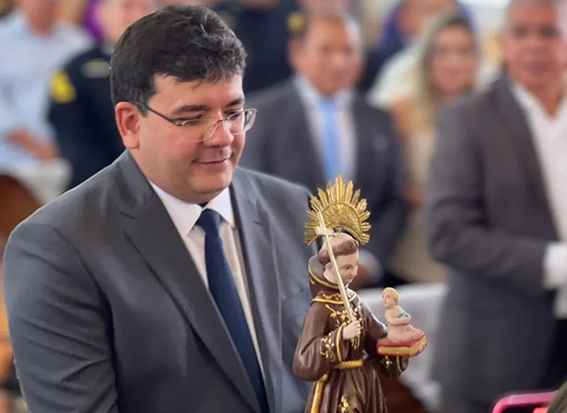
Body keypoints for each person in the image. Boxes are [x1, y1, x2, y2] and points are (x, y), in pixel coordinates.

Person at [3, 5, 318, 413]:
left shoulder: (290, 208)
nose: (222, 137)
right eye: (192, 118)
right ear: (130, 123)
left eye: (233, 112)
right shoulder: (57, 248)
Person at [426, 0, 567, 411]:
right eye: (521, 32)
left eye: (549, 31)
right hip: (494, 355)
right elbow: (447, 233)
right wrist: (553, 262)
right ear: (502, 42)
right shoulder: (466, 119)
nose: (534, 44)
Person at [241, 9, 407, 289]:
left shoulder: (380, 119)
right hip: (285, 281)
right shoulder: (260, 117)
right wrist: (307, 264)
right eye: (327, 49)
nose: (339, 61)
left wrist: (368, 260)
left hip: (362, 284)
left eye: (349, 50)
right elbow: (253, 201)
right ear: (297, 52)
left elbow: (393, 200)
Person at [387, 13, 479, 284]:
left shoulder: (490, 114)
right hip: (412, 257)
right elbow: (388, 188)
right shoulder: (401, 111)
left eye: (463, 51)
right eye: (442, 51)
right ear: (426, 57)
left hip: (474, 260)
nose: (453, 62)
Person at [48, 0, 158, 189]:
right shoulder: (77, 70)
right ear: (102, 14)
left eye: (143, 8)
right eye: (127, 7)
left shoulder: (175, 67)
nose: (136, 16)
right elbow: (69, 130)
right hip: (97, 181)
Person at [293, 232, 408, 413]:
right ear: (330, 267)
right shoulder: (320, 308)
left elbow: (376, 336)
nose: (354, 273)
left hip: (364, 383)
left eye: (355, 266)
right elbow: (304, 360)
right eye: (347, 268)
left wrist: (395, 338)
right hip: (336, 387)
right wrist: (340, 336)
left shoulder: (354, 301)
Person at [0, 0, 91, 169]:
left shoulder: (78, 41)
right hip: (13, 162)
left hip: (72, 158)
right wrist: (37, 147)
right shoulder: (3, 41)